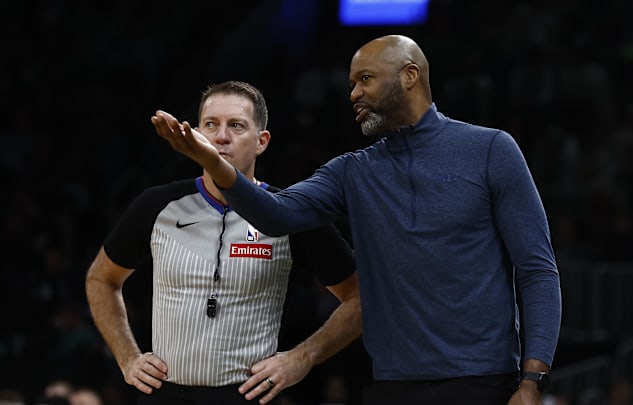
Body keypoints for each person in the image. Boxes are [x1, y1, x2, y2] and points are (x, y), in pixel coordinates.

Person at [153, 34, 561, 405]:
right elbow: (275, 216)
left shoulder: (490, 149)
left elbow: (537, 270)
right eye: (352, 83)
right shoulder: (354, 170)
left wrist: (532, 380)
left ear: (409, 76)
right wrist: (213, 161)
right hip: (392, 386)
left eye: (365, 79)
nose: (354, 93)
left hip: (485, 382)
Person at [86, 81, 362, 405]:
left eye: (236, 125)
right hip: (165, 394)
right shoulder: (156, 206)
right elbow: (101, 279)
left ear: (262, 141)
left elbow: (360, 297)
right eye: (210, 125)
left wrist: (304, 356)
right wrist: (127, 357)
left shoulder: (289, 212)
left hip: (247, 395)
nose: (221, 136)